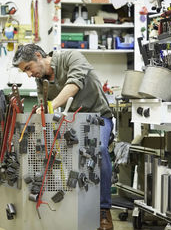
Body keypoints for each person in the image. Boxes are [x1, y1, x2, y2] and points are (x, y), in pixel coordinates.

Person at [12, 44, 114, 230]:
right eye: (24, 71)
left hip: (98, 118)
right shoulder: (41, 79)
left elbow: (74, 84)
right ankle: (70, 207)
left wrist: (50, 107)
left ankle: (103, 210)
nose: (28, 74)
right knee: (57, 157)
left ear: (38, 56)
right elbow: (44, 107)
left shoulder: (72, 57)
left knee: (98, 151)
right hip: (71, 122)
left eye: (28, 68)